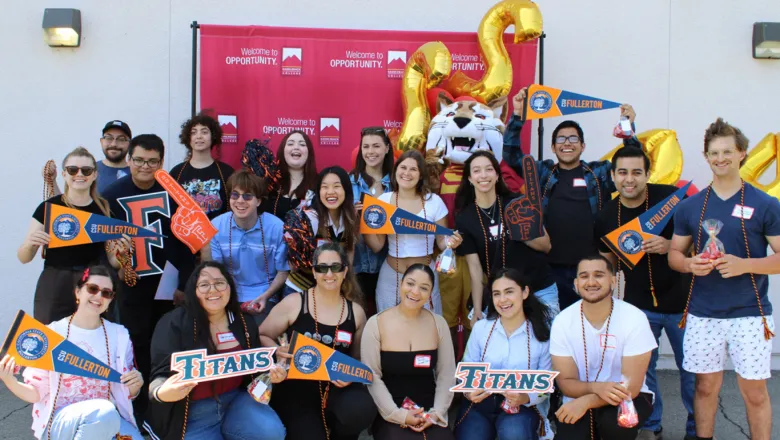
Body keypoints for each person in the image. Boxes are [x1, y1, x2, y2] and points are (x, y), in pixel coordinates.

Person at [669, 118, 780, 440]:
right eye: (714, 153)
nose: (720, 159)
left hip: (750, 314)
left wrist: (745, 264)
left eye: (727, 152)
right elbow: (675, 255)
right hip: (703, 314)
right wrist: (691, 265)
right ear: (705, 157)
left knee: (755, 392)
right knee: (704, 389)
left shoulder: (765, 204)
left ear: (742, 153)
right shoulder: (690, 207)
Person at [503, 87, 640, 310]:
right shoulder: (542, 172)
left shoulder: (599, 173)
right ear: (553, 146)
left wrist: (627, 126)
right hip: (550, 270)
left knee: (592, 326)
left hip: (590, 270)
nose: (567, 143)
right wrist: (518, 114)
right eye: (561, 139)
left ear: (583, 146)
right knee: (555, 331)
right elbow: (511, 154)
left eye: (573, 138)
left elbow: (632, 161)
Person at [593, 146, 695, 440]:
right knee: (643, 373)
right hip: (638, 308)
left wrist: (669, 246)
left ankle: (696, 429)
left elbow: (698, 244)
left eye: (637, 172)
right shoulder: (605, 216)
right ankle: (652, 426)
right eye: (622, 172)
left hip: (681, 303)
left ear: (648, 174)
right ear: (613, 176)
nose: (630, 179)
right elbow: (606, 265)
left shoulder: (671, 199)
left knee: (691, 371)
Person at [102, 134, 197, 421]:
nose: (145, 166)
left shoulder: (174, 192)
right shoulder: (111, 195)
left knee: (170, 345)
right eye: (140, 160)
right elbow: (106, 244)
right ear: (129, 159)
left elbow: (186, 241)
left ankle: (168, 406)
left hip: (168, 286)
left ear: (161, 162)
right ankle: (141, 409)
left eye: (152, 161)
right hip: (132, 285)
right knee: (137, 346)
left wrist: (183, 284)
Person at [146, 261, 287, 440]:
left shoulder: (244, 322)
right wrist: (162, 392)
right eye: (204, 285)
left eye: (219, 282)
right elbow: (159, 375)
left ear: (230, 287)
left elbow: (255, 368)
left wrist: (273, 372)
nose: (213, 290)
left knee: (271, 433)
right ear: (193, 291)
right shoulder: (173, 323)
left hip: (236, 400)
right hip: (193, 411)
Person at [0, 265, 143, 439]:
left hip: (108, 419)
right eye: (92, 289)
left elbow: (125, 391)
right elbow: (35, 392)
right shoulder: (52, 333)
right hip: (61, 421)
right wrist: (9, 380)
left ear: (111, 300)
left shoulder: (119, 335)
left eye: (106, 293)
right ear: (78, 292)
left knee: (110, 419)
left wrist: (135, 387)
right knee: (103, 412)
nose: (98, 296)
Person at [259, 243, 376, 440]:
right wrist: (277, 350)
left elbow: (357, 358)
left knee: (359, 410)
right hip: (296, 387)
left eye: (335, 267)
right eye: (322, 267)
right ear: (313, 272)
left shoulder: (356, 312)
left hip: (336, 387)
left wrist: (352, 375)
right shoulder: (294, 303)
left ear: (345, 270)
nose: (329, 274)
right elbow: (262, 334)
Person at [550, 255, 656, 440]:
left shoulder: (634, 318)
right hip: (579, 395)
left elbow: (631, 386)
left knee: (615, 426)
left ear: (613, 281)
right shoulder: (563, 321)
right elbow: (566, 382)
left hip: (629, 396)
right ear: (575, 283)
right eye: (584, 276)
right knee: (571, 434)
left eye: (598, 275)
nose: (591, 282)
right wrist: (595, 389)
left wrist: (587, 402)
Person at [19, 147, 128, 324]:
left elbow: (114, 262)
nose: (79, 174)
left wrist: (122, 255)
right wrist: (30, 244)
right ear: (64, 174)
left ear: (94, 175)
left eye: (86, 170)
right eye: (72, 170)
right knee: (51, 335)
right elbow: (24, 257)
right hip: (55, 280)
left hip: (92, 280)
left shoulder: (104, 210)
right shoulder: (48, 207)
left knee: (93, 336)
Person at [454, 151, 557, 330]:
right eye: (477, 171)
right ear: (470, 178)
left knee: (545, 344)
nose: (483, 175)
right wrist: (478, 309)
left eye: (488, 169)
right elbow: (475, 269)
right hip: (502, 295)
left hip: (539, 288)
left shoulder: (517, 203)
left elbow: (546, 245)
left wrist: (520, 232)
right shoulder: (465, 218)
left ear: (497, 175)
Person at [455, 268, 553, 440]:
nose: (503, 300)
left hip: (522, 406)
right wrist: (469, 392)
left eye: (509, 292)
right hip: (480, 404)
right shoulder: (481, 328)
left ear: (525, 292)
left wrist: (525, 397)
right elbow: (466, 374)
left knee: (514, 434)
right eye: (497, 294)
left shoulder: (541, 334)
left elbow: (546, 389)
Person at [361, 264, 455, 440]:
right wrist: (398, 415)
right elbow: (371, 376)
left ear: (430, 293)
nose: (415, 292)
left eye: (424, 288)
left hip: (429, 410)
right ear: (401, 284)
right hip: (390, 411)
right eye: (410, 284)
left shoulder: (438, 323)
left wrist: (436, 413)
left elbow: (447, 374)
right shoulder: (376, 323)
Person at [365, 150, 463, 315]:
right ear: (396, 171)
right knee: (388, 326)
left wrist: (451, 242)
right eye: (403, 168)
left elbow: (441, 241)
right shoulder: (383, 201)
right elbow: (377, 246)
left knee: (428, 324)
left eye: (413, 169)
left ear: (420, 175)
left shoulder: (434, 201)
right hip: (391, 276)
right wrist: (366, 225)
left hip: (425, 276)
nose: (407, 173)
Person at [203, 169, 289, 325]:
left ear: (259, 201)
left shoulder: (276, 227)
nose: (240, 201)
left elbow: (283, 272)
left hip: (266, 295)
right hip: (228, 293)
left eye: (247, 196)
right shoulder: (216, 226)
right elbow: (214, 271)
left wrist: (265, 297)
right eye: (235, 195)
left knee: (258, 332)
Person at [284, 166, 360, 295]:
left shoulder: (350, 217)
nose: (330, 192)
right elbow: (294, 264)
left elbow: (349, 253)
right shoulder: (308, 219)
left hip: (331, 290)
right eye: (324, 187)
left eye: (336, 186)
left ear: (346, 190)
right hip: (300, 290)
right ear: (318, 192)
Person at [350, 126, 394, 314]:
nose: (370, 152)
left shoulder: (398, 182)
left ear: (387, 148)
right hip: (356, 266)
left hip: (389, 265)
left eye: (376, 146)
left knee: (387, 320)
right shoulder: (348, 181)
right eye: (366, 147)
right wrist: (349, 214)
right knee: (358, 320)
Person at [170, 113, 235, 219]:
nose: (199, 136)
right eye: (193, 133)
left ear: (213, 136)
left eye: (204, 132)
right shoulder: (176, 172)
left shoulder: (226, 172)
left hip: (219, 234)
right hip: (185, 234)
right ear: (188, 138)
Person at [43, 120, 133, 195]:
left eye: (121, 139)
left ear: (130, 143)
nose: (114, 144)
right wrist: (51, 181)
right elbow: (66, 208)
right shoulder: (87, 170)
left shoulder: (138, 172)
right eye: (109, 138)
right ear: (102, 141)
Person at [262, 130, 318, 220]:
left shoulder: (319, 184)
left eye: (302, 144)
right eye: (290, 144)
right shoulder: (270, 183)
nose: (296, 147)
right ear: (282, 150)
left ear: (309, 152)